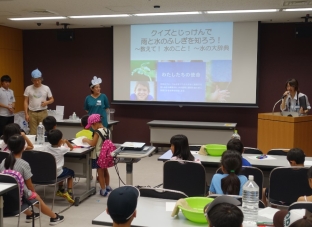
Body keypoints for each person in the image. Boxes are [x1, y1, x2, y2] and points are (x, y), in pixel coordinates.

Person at [0, 135, 64, 225]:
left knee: (20, 198)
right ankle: (54, 217)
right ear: (23, 147)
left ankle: (30, 215)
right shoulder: (24, 164)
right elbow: (30, 186)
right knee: (36, 198)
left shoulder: (4, 161)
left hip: (7, 195)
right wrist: (34, 194)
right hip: (21, 195)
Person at [82, 114, 112, 196]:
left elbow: (93, 144)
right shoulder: (107, 130)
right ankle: (108, 186)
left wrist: (86, 140)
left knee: (100, 173)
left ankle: (103, 190)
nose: (91, 127)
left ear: (95, 123)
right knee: (105, 171)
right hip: (106, 154)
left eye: (91, 125)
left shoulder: (97, 132)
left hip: (99, 155)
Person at [46, 129, 74, 203]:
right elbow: (71, 148)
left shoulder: (46, 148)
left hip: (47, 173)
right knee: (70, 173)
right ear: (59, 141)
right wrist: (67, 142)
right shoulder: (62, 149)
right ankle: (69, 192)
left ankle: (60, 189)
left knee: (62, 169)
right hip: (57, 173)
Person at [24, 69, 54, 135]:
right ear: (32, 80)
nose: (37, 82)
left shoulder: (46, 88)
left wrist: (47, 102)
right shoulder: (28, 88)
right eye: (35, 80)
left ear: (41, 79)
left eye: (38, 80)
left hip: (43, 112)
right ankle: (34, 145)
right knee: (33, 133)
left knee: (43, 132)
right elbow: (26, 101)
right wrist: (26, 114)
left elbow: (52, 99)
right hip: (32, 113)